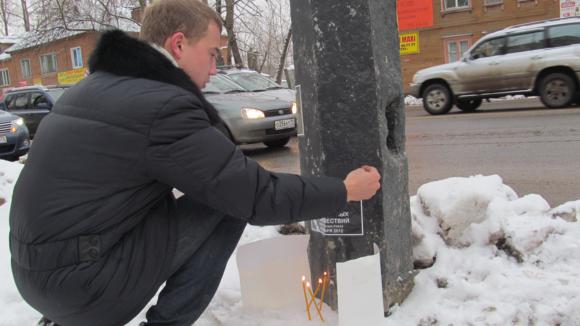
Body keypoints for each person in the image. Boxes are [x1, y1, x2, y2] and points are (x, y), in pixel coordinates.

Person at [9, 0, 381, 325]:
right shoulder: (162, 106)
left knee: (215, 191)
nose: (215, 69)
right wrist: (344, 190)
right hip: (85, 289)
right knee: (229, 202)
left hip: (35, 275)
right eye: (213, 53)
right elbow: (254, 195)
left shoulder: (94, 88)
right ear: (179, 44)